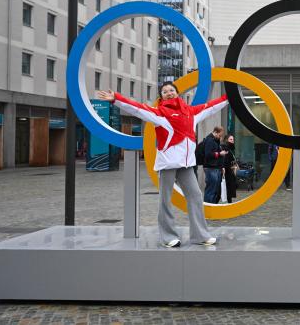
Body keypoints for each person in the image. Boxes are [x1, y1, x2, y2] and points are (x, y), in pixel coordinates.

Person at [97, 83, 228, 248]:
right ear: (161, 96)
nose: (169, 93)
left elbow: (210, 107)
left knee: (195, 196)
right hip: (168, 164)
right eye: (165, 92)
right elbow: (138, 109)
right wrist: (116, 99)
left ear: (178, 92)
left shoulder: (190, 112)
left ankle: (200, 235)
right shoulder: (160, 113)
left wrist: (227, 98)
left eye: (171, 90)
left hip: (186, 165)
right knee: (165, 200)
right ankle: (168, 236)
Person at [202, 126, 228, 204]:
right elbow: (208, 154)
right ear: (215, 132)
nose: (220, 137)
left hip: (215, 167)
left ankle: (212, 207)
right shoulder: (209, 140)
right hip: (211, 168)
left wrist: (222, 166)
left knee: (214, 190)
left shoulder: (215, 140)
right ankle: (208, 208)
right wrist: (220, 153)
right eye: (220, 135)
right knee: (210, 190)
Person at [221, 134, 238, 203]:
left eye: (233, 139)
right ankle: (228, 202)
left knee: (230, 187)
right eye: (231, 139)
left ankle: (229, 202)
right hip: (227, 170)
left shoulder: (229, 148)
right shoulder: (226, 148)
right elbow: (225, 160)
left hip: (229, 170)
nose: (232, 141)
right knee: (228, 187)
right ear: (226, 140)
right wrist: (231, 166)